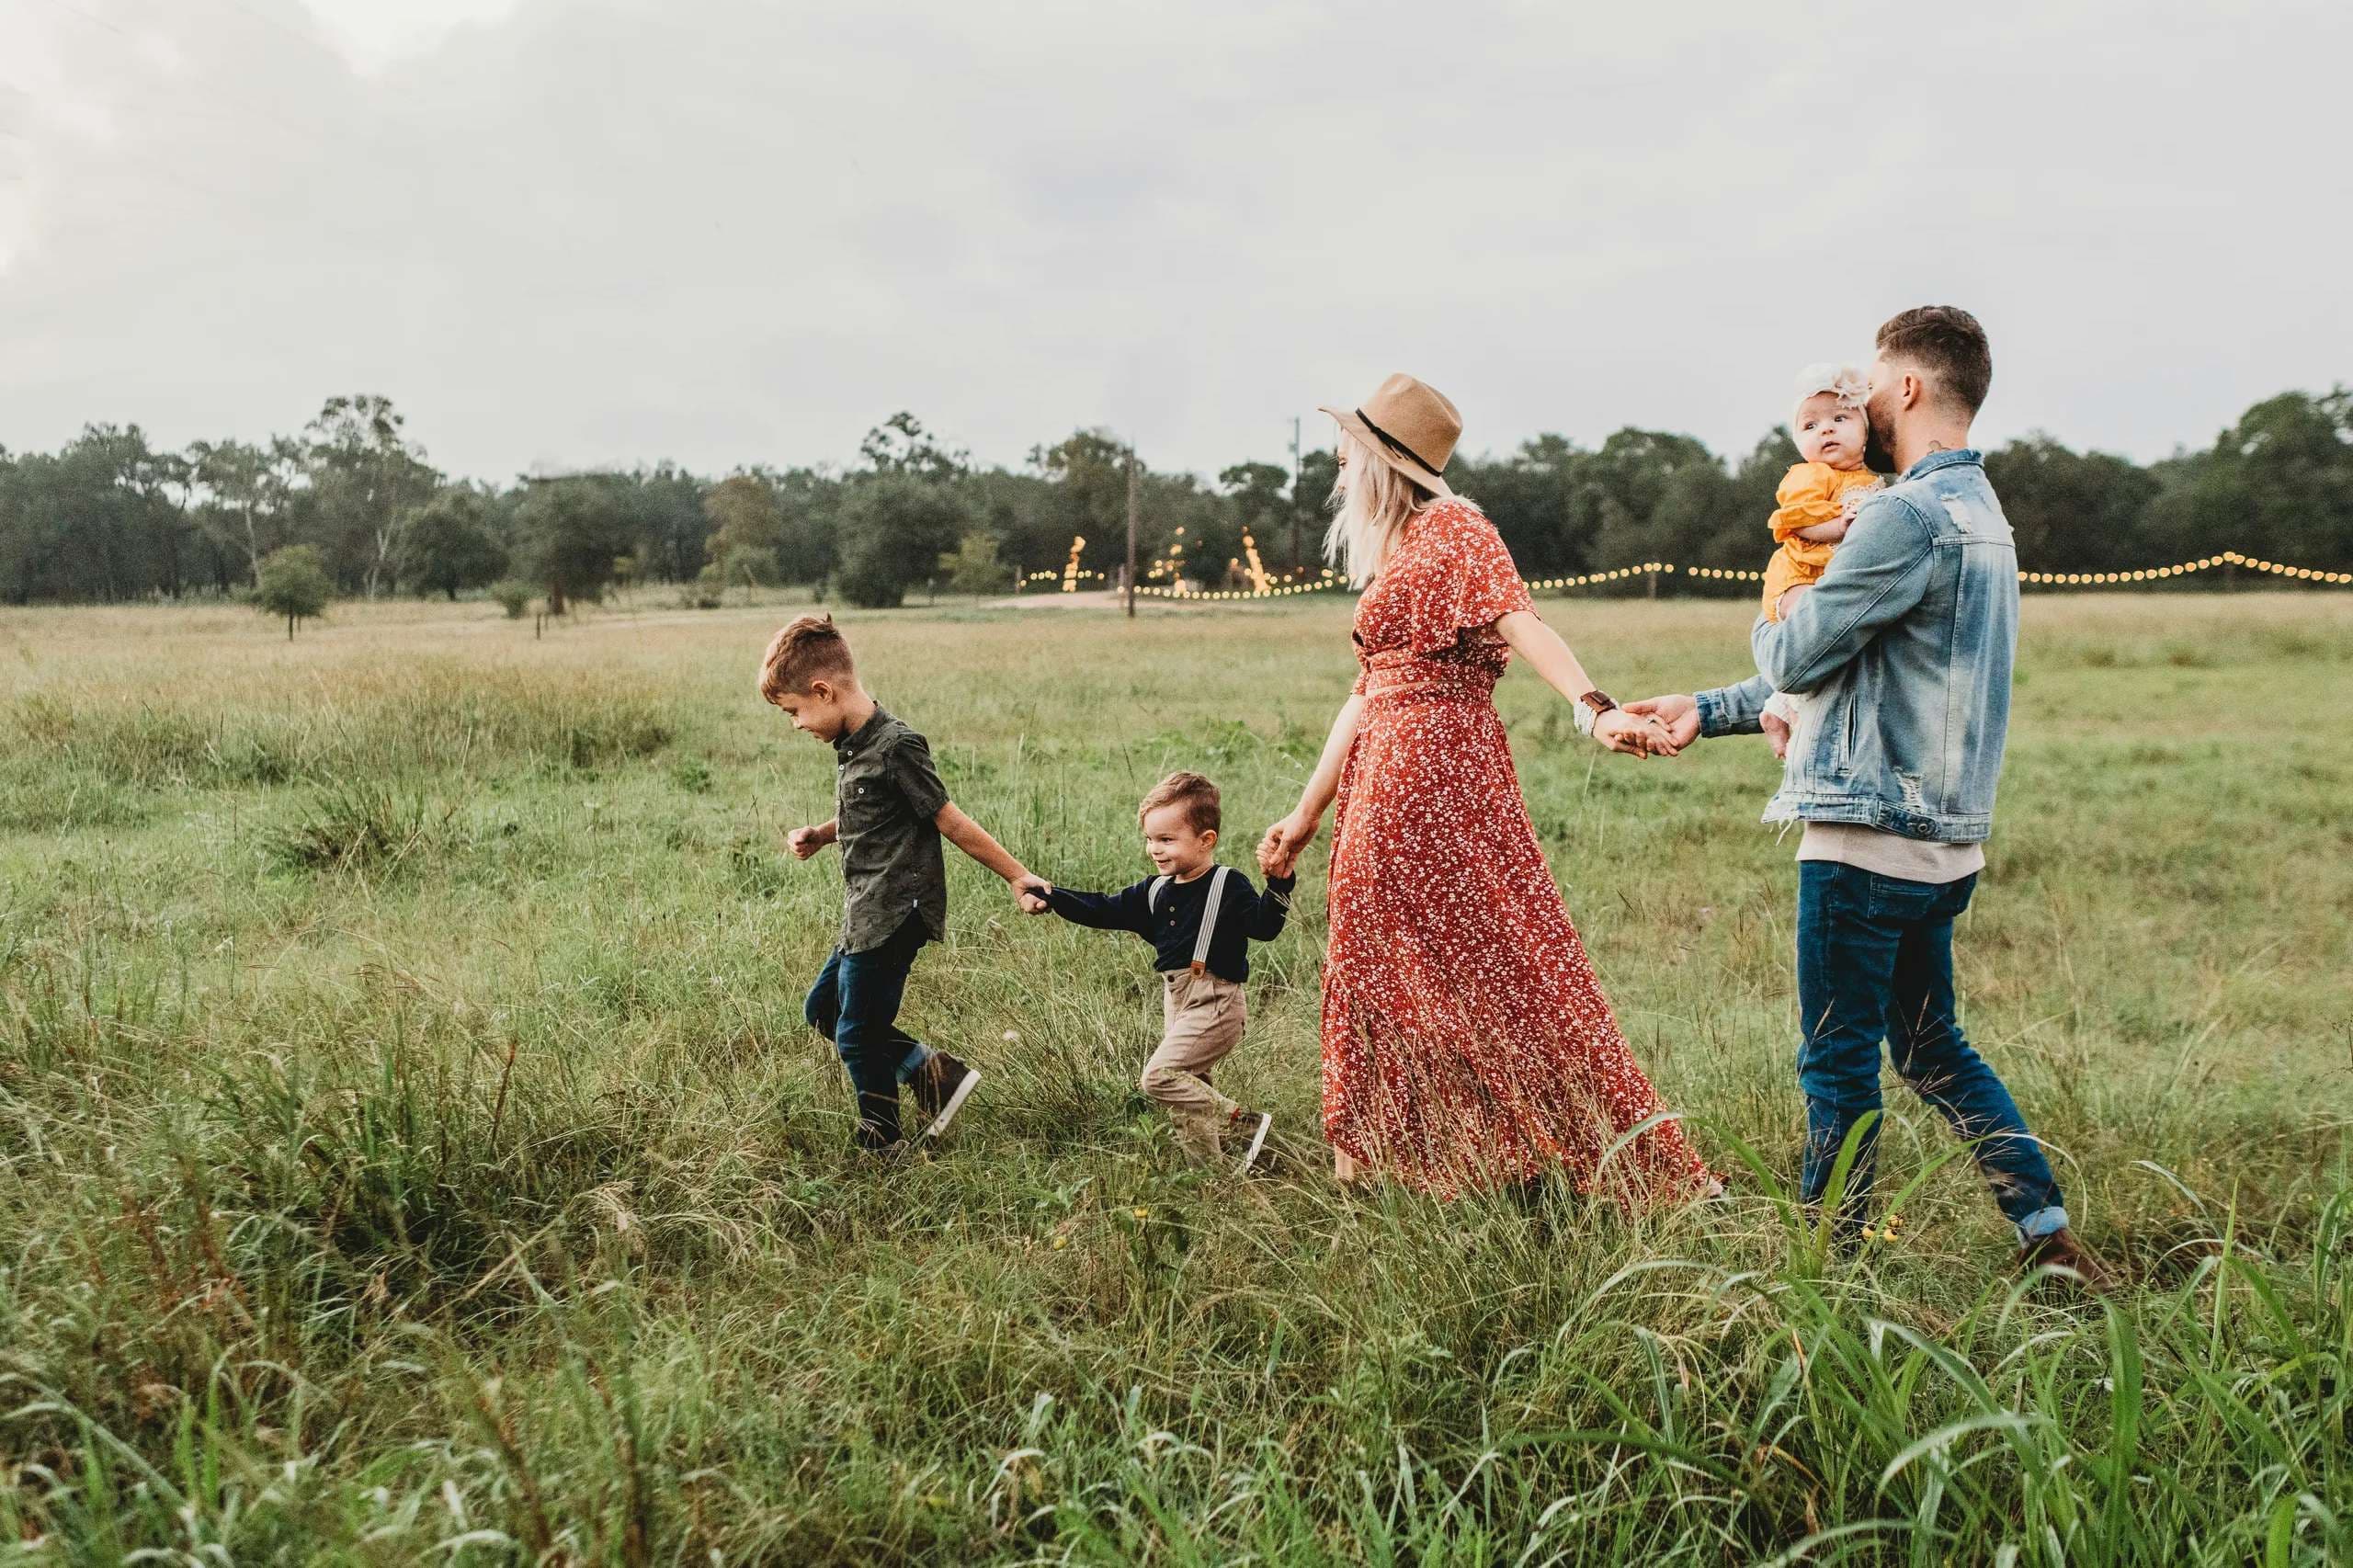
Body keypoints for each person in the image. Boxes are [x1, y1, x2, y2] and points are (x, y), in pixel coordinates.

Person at [1627, 307, 2110, 1285]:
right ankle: (2045, 1232)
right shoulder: (1983, 515)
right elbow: (1862, 666)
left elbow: (1802, 650)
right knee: (1933, 1047)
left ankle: (1825, 1264)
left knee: (1834, 1059)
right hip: (1944, 844)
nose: (1859, 403)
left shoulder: (1899, 514)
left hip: (1863, 838)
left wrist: (1779, 609)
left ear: (1908, 389)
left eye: (1872, 384)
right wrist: (1709, 708)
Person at [1256, 372, 1713, 1200]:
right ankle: (1393, 1160)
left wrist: (1594, 708)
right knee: (1382, 960)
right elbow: (1365, 692)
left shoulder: (1456, 529)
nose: (1334, 460)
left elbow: (1522, 620)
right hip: (1382, 771)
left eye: (1347, 447)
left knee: (1499, 959)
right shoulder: (1396, 548)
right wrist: (1305, 812)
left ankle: (1564, 1152)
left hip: (1435, 771)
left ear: (1382, 459)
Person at [763, 613, 1040, 1153]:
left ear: (823, 691)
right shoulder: (854, 748)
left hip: (896, 911)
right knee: (823, 1011)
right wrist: (823, 833)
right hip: (864, 910)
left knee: (857, 1033)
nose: (795, 724)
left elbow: (948, 819)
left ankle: (882, 1140)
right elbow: (872, 816)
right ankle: (935, 1076)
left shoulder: (897, 746)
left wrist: (1017, 876)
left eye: (794, 711)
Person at [1027, 771, 1291, 1171]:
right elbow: (1101, 908)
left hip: (1217, 1003)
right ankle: (1211, 1181)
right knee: (1187, 1097)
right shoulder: (1154, 891)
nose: (1155, 849)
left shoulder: (1227, 884)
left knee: (1160, 1077)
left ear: (1206, 841)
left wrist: (1279, 884)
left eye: (1167, 840)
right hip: (1178, 1002)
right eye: (1150, 839)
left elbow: (1266, 927)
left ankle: (1243, 1124)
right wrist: (1051, 895)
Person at [1757, 363, 1885, 761]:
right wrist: (1839, 526)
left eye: (1840, 419)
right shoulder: (1811, 476)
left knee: (1830, 646)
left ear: (1865, 431)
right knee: (1813, 633)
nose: (1825, 430)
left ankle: (1779, 709)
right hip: (1798, 576)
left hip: (1827, 576)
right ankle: (1784, 714)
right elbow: (1798, 523)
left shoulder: (1870, 480)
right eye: (1810, 426)